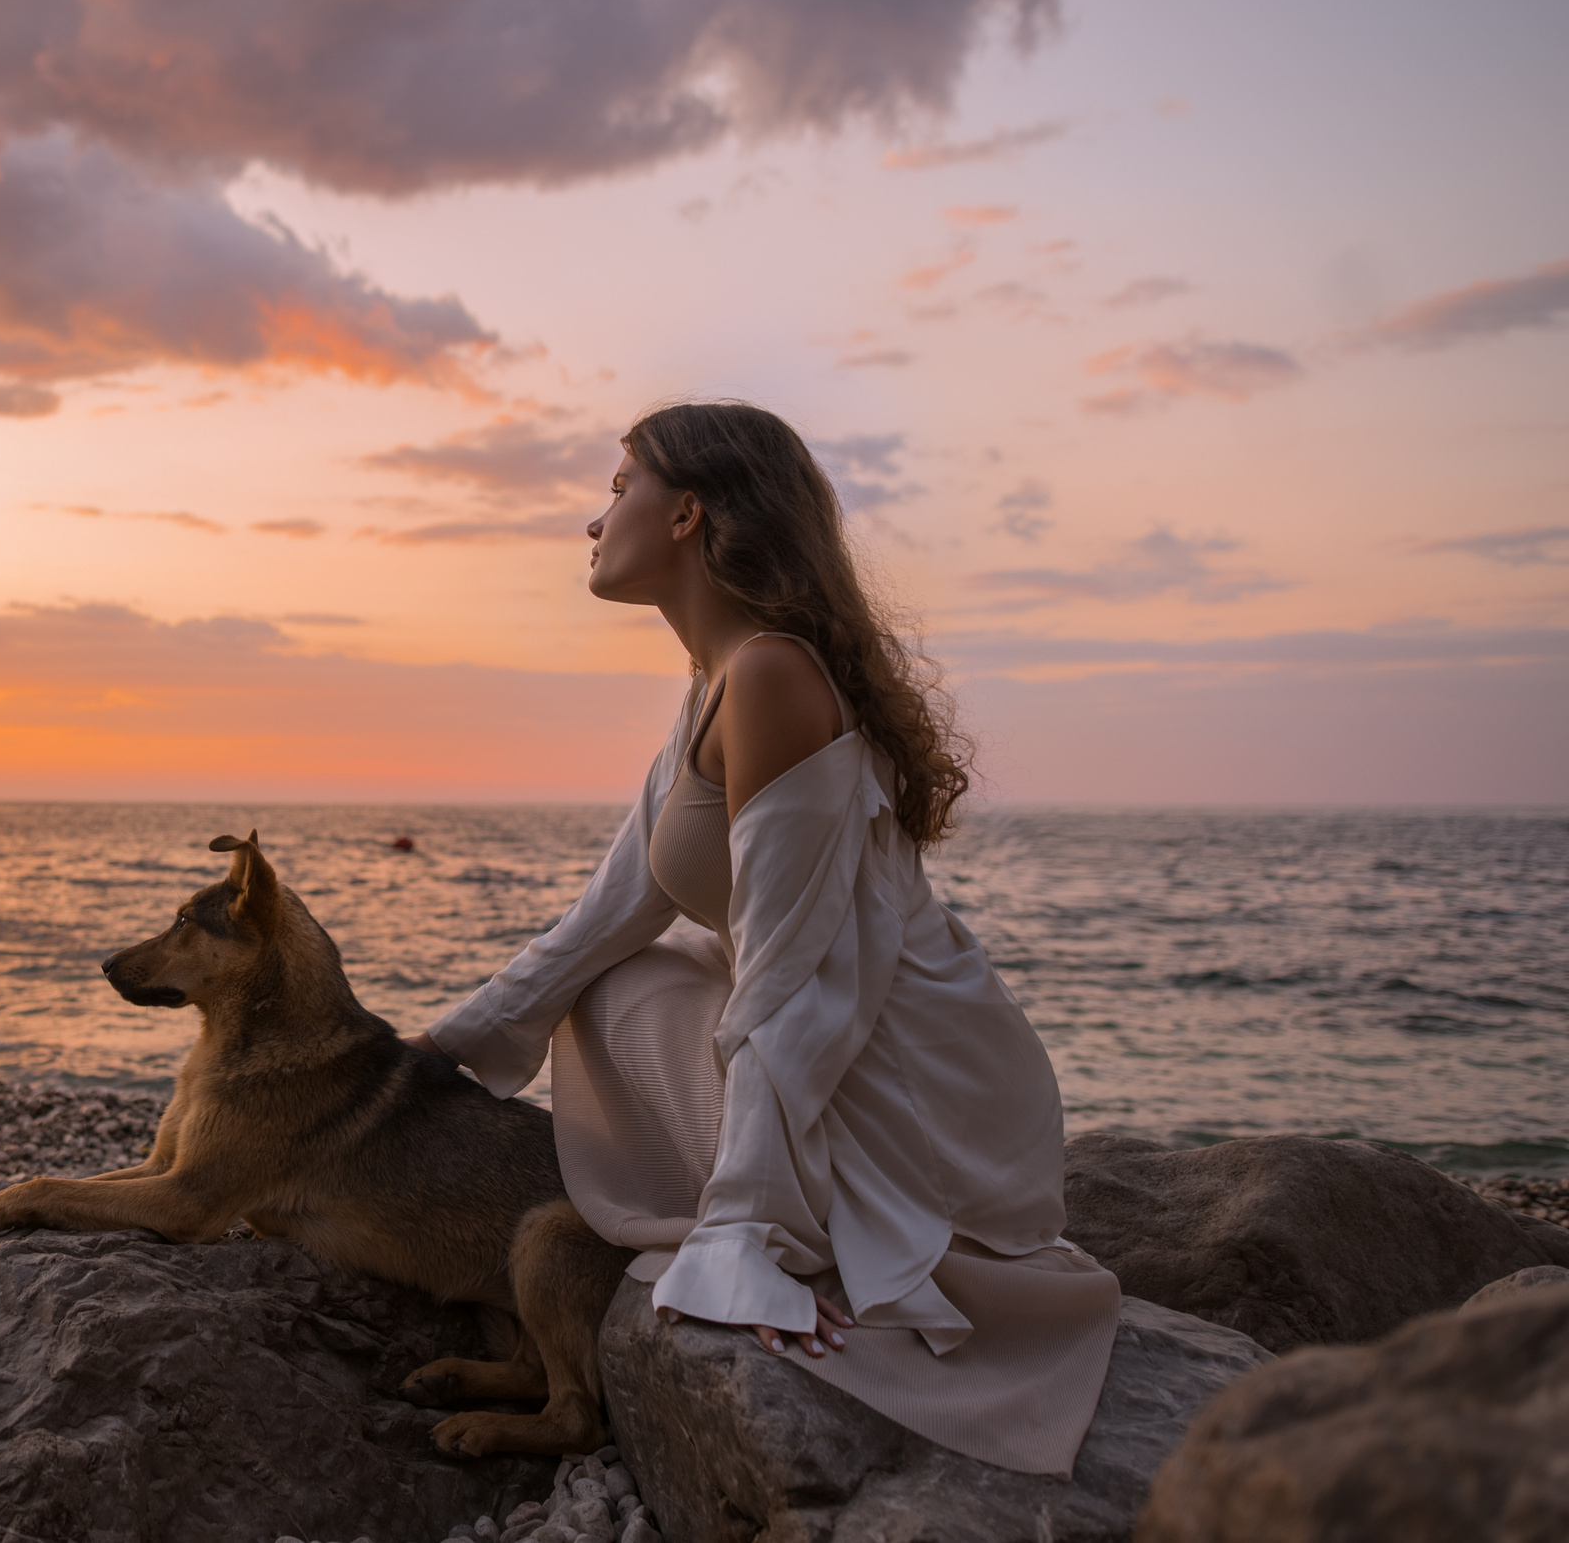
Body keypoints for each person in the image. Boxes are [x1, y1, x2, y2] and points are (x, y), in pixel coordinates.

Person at [402, 399, 1120, 1478]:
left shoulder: (772, 677)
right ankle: (761, 1207)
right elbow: (609, 915)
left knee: (670, 988)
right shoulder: (711, 687)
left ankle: (794, 1221)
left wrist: (743, 1237)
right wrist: (431, 1052)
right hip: (839, 1023)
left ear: (688, 513)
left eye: (616, 490)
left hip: (914, 1076)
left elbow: (791, 979)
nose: (593, 523)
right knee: (620, 978)